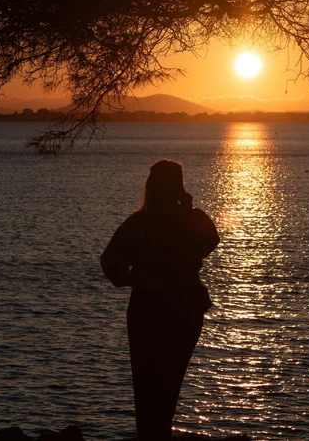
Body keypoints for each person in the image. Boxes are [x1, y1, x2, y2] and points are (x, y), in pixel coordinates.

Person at [101, 159, 220, 441]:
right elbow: (210, 240)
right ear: (177, 187)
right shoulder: (189, 220)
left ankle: (150, 436)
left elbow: (110, 261)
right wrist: (188, 208)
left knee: (146, 384)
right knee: (169, 383)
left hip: (148, 306)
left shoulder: (138, 223)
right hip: (184, 307)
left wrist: (130, 278)